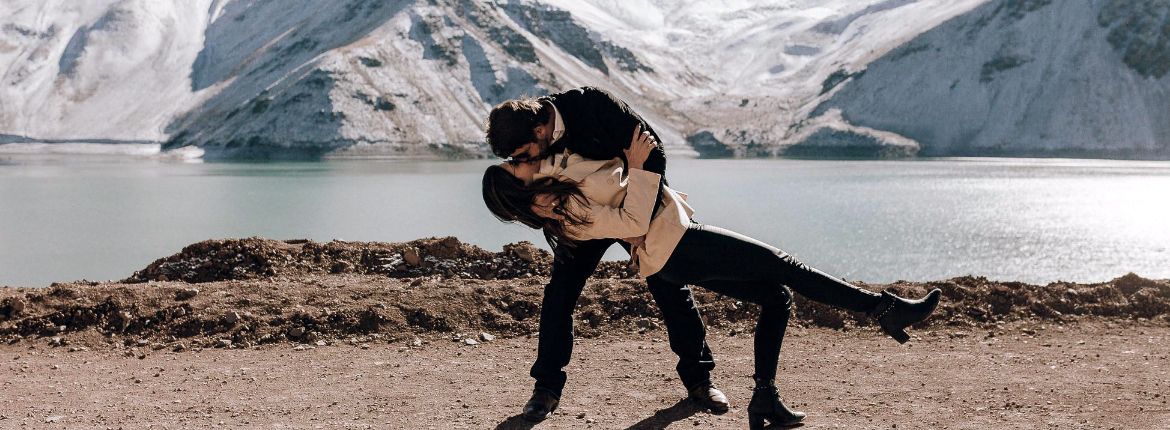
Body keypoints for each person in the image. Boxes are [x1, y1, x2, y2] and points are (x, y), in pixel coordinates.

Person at [483, 127, 942, 428]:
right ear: (518, 189)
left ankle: (742, 391)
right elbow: (630, 220)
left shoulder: (551, 164)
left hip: (659, 237)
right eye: (512, 164)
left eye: (514, 157)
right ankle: (881, 308)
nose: (516, 158)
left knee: (758, 294)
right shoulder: (558, 205)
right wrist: (640, 169)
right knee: (785, 266)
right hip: (658, 236)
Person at [485, 87, 728, 422]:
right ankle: (546, 388)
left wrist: (645, 221)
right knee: (560, 293)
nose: (522, 162)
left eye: (522, 154)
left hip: (634, 209)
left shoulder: (593, 104)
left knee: (669, 284)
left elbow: (653, 154)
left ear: (539, 131)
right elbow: (527, 187)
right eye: (515, 160)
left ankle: (700, 380)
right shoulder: (529, 138)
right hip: (586, 219)